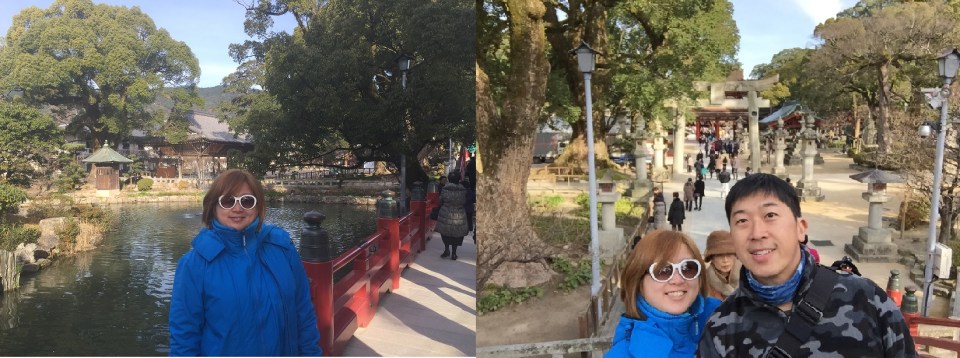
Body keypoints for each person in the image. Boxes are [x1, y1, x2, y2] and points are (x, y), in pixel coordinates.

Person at [697, 174, 916, 357]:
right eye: (742, 221)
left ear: (800, 228)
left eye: (770, 215)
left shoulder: (866, 299)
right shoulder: (722, 327)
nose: (757, 233)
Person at [169, 169, 322, 356]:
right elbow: (184, 337)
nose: (238, 208)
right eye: (228, 201)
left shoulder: (281, 247)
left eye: (247, 201)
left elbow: (303, 312)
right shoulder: (194, 264)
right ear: (213, 206)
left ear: (258, 206)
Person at [607, 230, 722, 357]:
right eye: (662, 270)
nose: (678, 280)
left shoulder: (725, 318)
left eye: (688, 268)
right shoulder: (623, 354)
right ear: (638, 281)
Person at [436, 171, 470, 260]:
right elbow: (465, 201)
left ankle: (446, 250)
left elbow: (440, 201)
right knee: (457, 234)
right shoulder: (463, 190)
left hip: (446, 212)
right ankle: (454, 253)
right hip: (459, 213)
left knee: (445, 232)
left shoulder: (445, 189)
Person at [702, 230, 741, 299]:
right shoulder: (704, 282)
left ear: (735, 256)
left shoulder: (749, 276)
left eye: (729, 254)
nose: (725, 260)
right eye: (719, 255)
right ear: (712, 258)